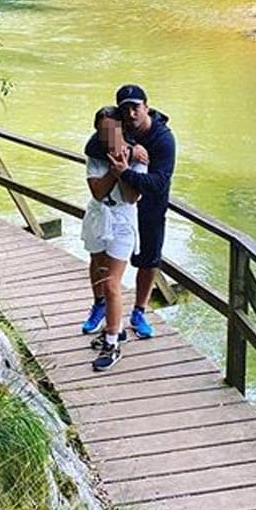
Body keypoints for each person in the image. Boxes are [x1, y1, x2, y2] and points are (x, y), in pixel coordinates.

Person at [82, 84, 175, 339]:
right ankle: (100, 305)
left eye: (136, 107)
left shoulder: (163, 139)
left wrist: (125, 172)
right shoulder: (115, 128)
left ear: (147, 107)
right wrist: (131, 151)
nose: (131, 113)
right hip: (119, 205)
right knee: (100, 258)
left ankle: (139, 311)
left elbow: (159, 182)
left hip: (151, 203)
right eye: (126, 109)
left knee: (149, 258)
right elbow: (94, 146)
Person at [80, 106, 148, 371]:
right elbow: (97, 191)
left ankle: (112, 343)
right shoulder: (95, 152)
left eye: (112, 129)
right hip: (99, 214)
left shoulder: (139, 155)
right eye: (102, 130)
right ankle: (112, 324)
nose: (107, 136)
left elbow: (132, 196)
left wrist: (124, 169)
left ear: (121, 128)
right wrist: (115, 169)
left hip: (122, 220)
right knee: (97, 267)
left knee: (112, 283)